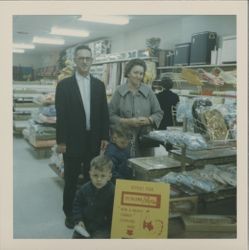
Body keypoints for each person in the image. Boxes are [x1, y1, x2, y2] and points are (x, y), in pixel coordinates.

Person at [55, 45, 109, 229]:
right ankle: (70, 213)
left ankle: (87, 213)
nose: (85, 61)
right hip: (71, 141)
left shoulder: (99, 85)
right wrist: (61, 141)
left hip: (93, 140)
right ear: (75, 61)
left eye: (88, 58)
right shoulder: (64, 85)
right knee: (70, 179)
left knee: (91, 178)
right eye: (81, 58)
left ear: (92, 60)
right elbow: (61, 116)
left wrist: (104, 136)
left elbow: (104, 113)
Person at [109, 58, 163, 157]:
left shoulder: (148, 91)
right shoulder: (119, 92)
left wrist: (149, 120)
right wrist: (127, 122)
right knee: (125, 167)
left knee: (143, 168)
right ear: (128, 73)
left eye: (141, 74)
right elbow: (110, 115)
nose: (138, 76)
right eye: (135, 72)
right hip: (123, 140)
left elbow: (158, 113)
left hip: (145, 140)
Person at [72, 155, 114, 239]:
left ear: (109, 176)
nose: (99, 179)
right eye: (95, 175)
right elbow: (77, 205)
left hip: (103, 227)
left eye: (103, 176)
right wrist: (79, 220)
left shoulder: (113, 191)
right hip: (85, 223)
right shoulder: (84, 189)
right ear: (90, 174)